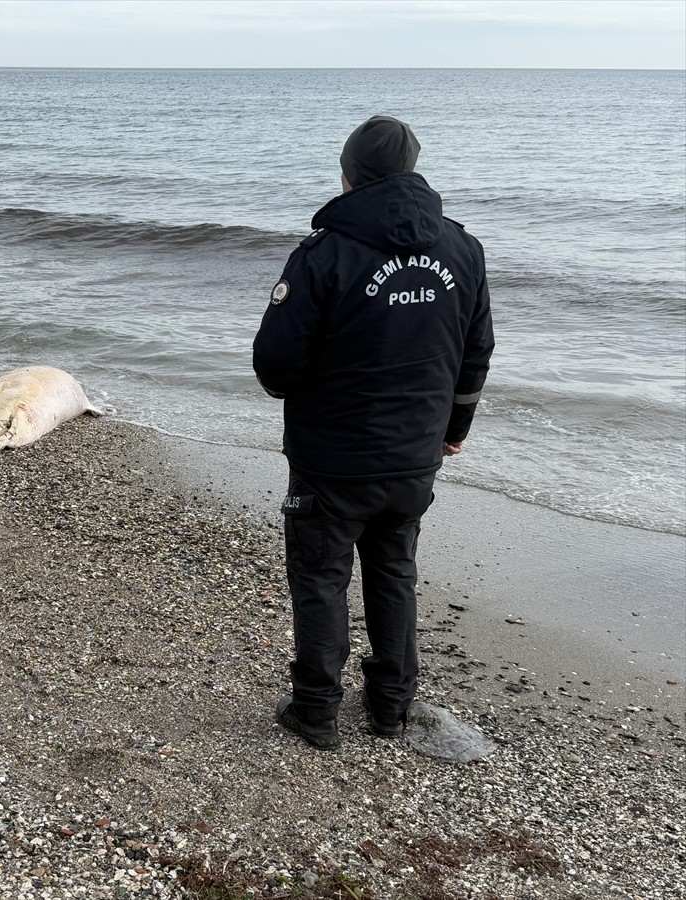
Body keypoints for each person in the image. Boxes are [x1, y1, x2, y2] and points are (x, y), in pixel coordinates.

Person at [252, 115, 494, 750]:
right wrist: (453, 428)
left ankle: (316, 712)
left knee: (321, 575)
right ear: (412, 171)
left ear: (348, 173)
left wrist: (302, 387)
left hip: (331, 459)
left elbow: (275, 363)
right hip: (413, 456)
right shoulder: (462, 250)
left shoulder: (324, 252)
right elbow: (476, 351)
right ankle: (390, 708)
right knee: (393, 571)